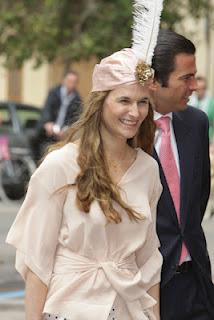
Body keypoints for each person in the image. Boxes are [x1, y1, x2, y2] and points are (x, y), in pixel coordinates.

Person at [6, 1, 164, 319]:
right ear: (100, 102)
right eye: (124, 100)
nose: (135, 112)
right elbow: (37, 262)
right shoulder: (60, 166)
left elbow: (149, 262)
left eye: (143, 102)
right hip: (69, 308)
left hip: (129, 310)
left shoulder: (147, 169)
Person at [150, 29, 214, 320]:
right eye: (185, 78)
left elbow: (198, 197)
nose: (194, 86)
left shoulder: (197, 122)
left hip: (197, 282)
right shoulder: (124, 134)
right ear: (154, 81)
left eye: (195, 76)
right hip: (149, 288)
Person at [33, 70, 82, 161]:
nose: (71, 84)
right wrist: (48, 123)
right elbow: (47, 109)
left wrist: (66, 130)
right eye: (69, 81)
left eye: (73, 82)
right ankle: (35, 162)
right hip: (48, 129)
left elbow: (75, 119)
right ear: (64, 81)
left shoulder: (77, 99)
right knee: (34, 138)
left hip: (63, 133)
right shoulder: (54, 92)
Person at [189, 76, 214, 143]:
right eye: (198, 89)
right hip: (191, 137)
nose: (200, 91)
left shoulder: (211, 103)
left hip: (207, 138)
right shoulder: (189, 101)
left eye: (203, 88)